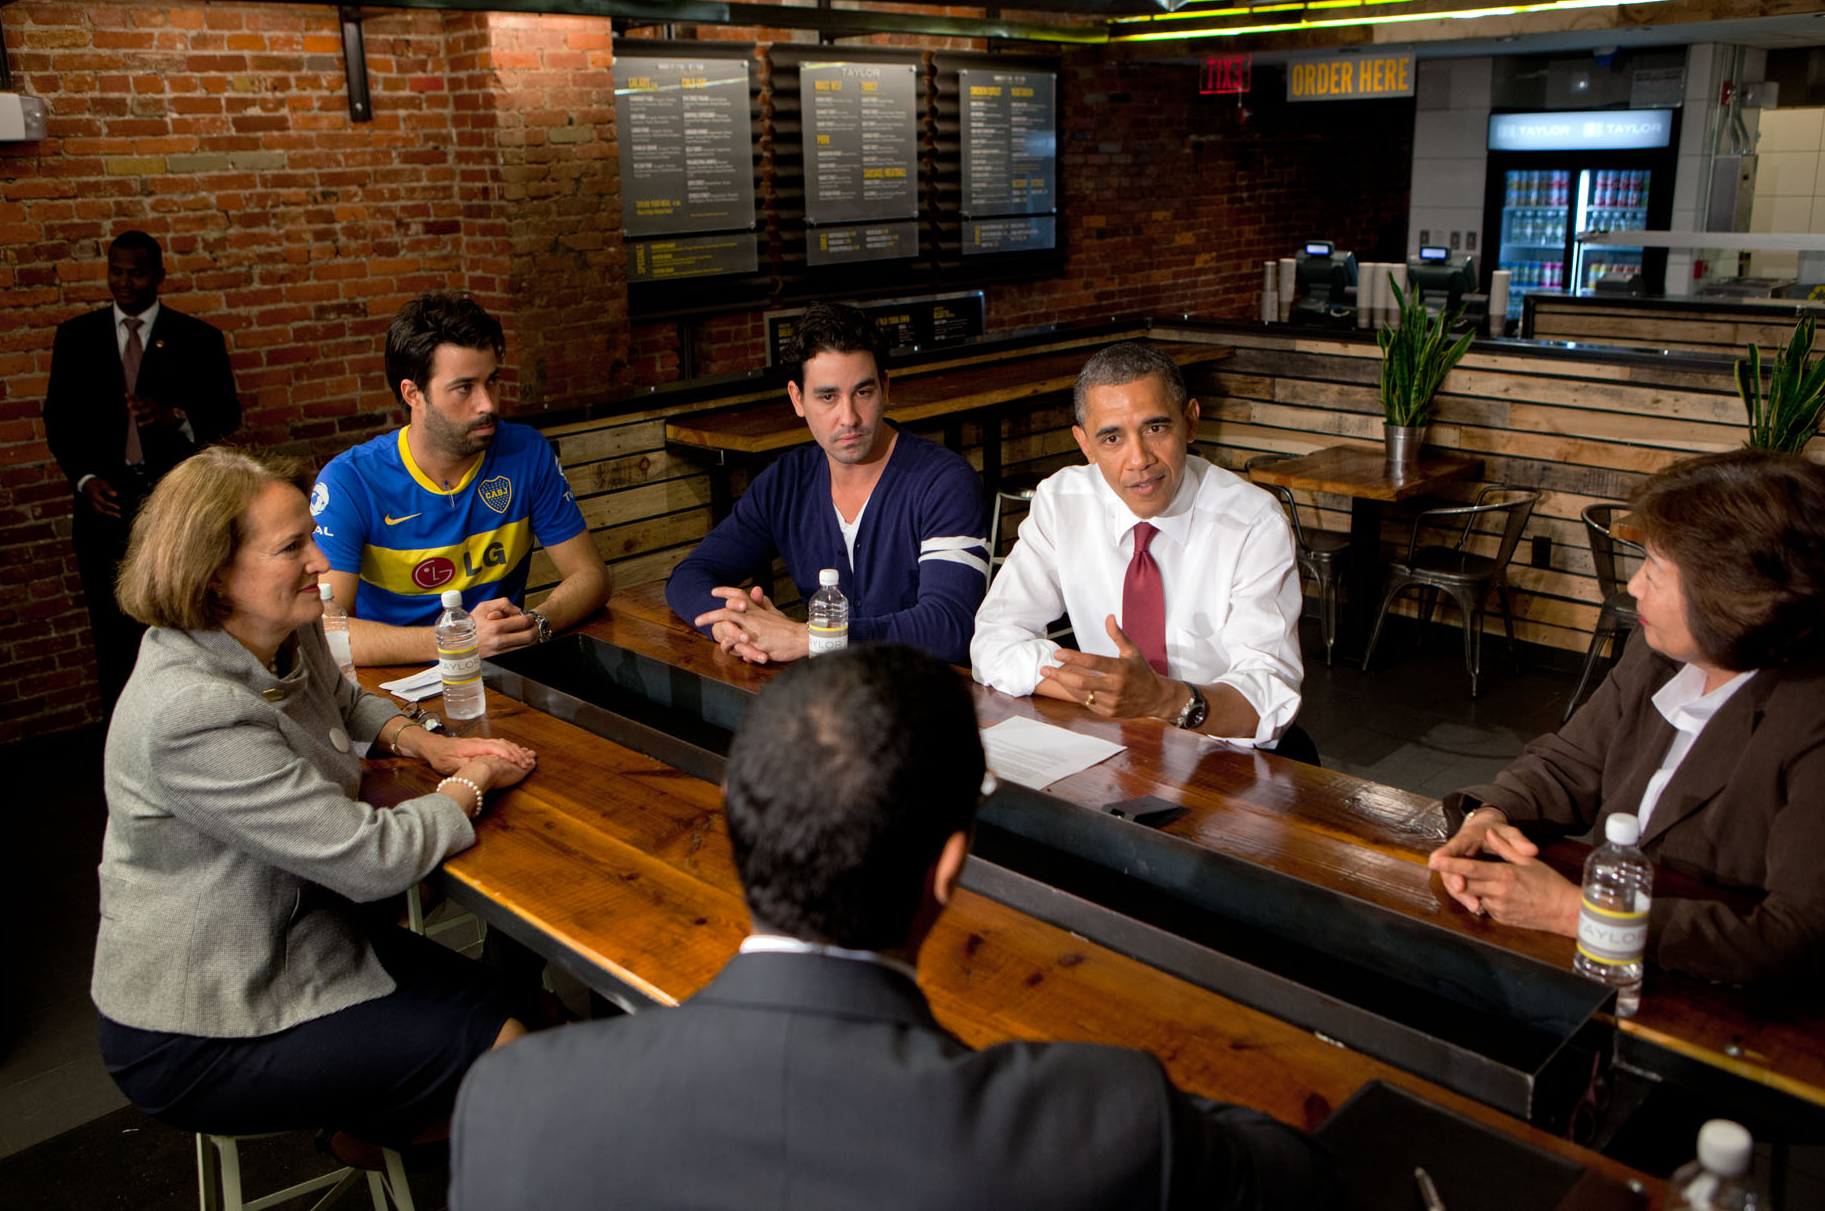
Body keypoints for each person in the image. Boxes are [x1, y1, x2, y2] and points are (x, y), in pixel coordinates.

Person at [450, 644, 1340, 1210]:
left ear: (741, 836)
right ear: (947, 872)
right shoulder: (1102, 1118)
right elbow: (1291, 1176)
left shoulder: (510, 1099)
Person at [93, 447, 537, 1150]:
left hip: (302, 937)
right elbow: (371, 859)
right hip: (207, 1018)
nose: (322, 564)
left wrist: (424, 743)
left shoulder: (278, 629)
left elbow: (341, 698)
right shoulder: (189, 709)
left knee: (524, 1011)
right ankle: (401, 1120)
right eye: (292, 547)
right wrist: (470, 784)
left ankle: (395, 1121)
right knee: (520, 1056)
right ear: (212, 572)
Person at [1428, 449, 1825, 992]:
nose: (1635, 587)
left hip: (1731, 1015)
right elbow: (1569, 765)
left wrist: (1575, 912)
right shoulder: (1661, 652)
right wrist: (1490, 818)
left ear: (1734, 598)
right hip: (1613, 981)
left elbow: (1812, 936)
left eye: (1655, 570)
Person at [971, 343, 1303, 745]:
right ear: (1085, 445)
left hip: (1219, 747)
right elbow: (994, 640)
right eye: (1112, 438)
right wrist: (1104, 692)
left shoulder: (1254, 524)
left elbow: (1269, 698)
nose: (1138, 459)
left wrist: (1162, 699)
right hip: (1110, 739)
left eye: (1156, 428)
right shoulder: (1062, 502)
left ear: (1191, 422)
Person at [664, 302, 989, 664]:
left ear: (885, 388)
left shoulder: (944, 483)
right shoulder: (787, 482)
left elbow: (950, 628)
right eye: (828, 396)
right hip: (831, 701)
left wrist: (812, 638)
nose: (848, 417)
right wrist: (731, 625)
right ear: (797, 399)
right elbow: (688, 576)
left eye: (863, 392)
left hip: (928, 702)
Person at [314, 291, 610, 666]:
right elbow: (325, 631)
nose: (487, 403)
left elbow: (591, 577)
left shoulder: (527, 452)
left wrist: (535, 624)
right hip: (393, 689)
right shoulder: (349, 482)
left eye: (492, 381)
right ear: (413, 394)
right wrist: (457, 640)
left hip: (503, 671)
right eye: (464, 388)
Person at [43, 230, 242, 716]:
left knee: (184, 619)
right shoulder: (76, 337)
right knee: (112, 634)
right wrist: (85, 480)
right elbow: (59, 420)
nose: (124, 282)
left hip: (173, 507)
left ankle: (198, 723)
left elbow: (227, 414)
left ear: (158, 275)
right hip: (104, 508)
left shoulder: (198, 338)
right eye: (116, 271)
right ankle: (126, 734)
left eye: (136, 272)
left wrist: (178, 417)